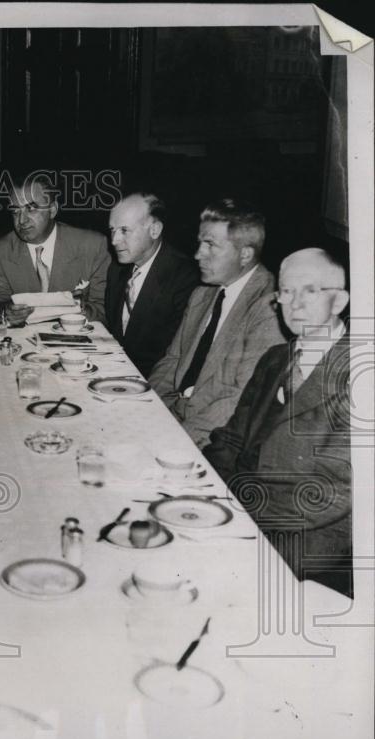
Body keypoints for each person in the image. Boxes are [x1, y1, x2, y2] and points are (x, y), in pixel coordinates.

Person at [204, 248, 352, 598]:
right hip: (246, 510)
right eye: (286, 291)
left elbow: (331, 494)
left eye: (311, 290)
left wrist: (235, 511)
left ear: (340, 300)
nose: (295, 304)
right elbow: (230, 441)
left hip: (308, 540)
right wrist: (204, 493)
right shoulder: (275, 359)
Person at [149, 199, 284, 446]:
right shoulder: (203, 294)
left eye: (210, 245)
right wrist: (146, 409)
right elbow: (172, 361)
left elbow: (238, 398)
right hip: (172, 418)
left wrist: (176, 441)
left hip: (211, 437)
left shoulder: (270, 308)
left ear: (245, 254)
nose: (198, 254)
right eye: (200, 242)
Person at [0, 173, 109, 325]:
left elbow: (104, 310)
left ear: (53, 210)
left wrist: (77, 308)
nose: (21, 221)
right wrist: (6, 311)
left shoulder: (93, 245)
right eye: (15, 211)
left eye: (31, 209)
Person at [105, 192, 201, 377]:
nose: (114, 240)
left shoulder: (185, 278)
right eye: (112, 230)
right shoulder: (117, 269)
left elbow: (174, 358)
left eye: (125, 230)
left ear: (154, 230)